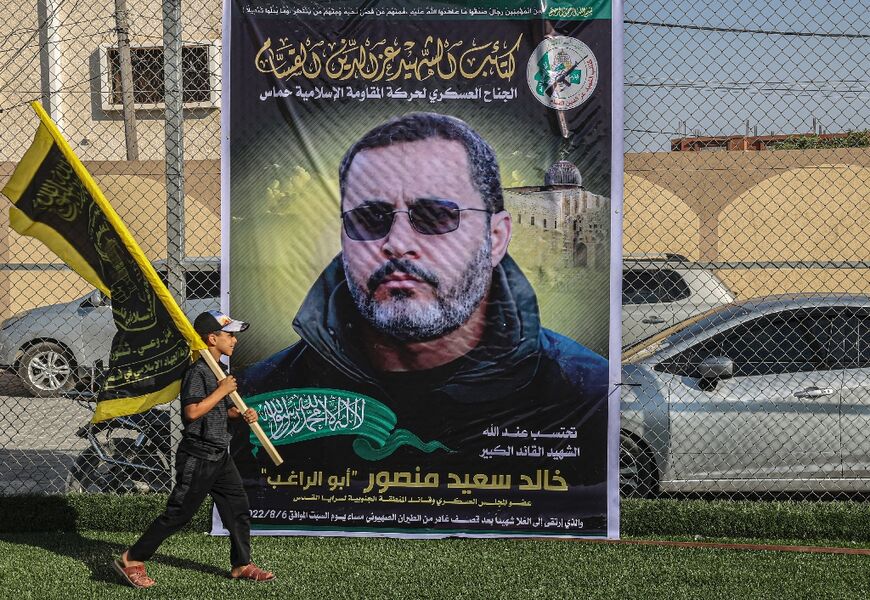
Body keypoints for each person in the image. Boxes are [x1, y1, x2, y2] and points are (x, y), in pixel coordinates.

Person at [239, 112, 608, 478]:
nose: (397, 244)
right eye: (369, 218)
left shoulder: (583, 391)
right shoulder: (261, 392)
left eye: (435, 216)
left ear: (495, 239)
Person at [113, 310, 275, 589]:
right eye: (230, 335)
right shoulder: (198, 371)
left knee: (237, 508)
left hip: (219, 455)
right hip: (198, 457)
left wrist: (239, 413)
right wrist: (222, 392)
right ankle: (130, 558)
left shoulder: (220, 371)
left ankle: (241, 564)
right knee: (179, 514)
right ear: (212, 338)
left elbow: (220, 411)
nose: (235, 341)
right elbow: (192, 412)